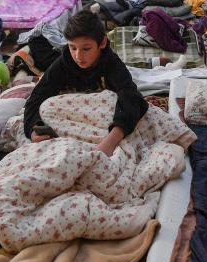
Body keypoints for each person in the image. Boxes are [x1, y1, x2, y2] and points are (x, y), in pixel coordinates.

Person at [23, 11, 147, 156]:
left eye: (86, 49)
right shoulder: (64, 63)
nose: (78, 56)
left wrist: (110, 141)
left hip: (107, 125)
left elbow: (131, 98)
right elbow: (36, 98)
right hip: (76, 123)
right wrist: (33, 130)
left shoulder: (111, 63)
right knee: (46, 107)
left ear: (102, 43)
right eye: (72, 47)